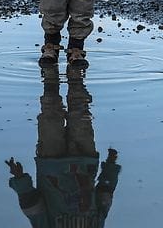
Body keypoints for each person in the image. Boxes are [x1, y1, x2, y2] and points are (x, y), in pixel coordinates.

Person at [6, 65, 121, 228]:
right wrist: (110, 167)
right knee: (81, 113)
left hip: (50, 163)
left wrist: (20, 179)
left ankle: (49, 74)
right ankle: (76, 73)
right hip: (85, 162)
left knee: (50, 114)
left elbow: (33, 207)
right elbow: (104, 199)